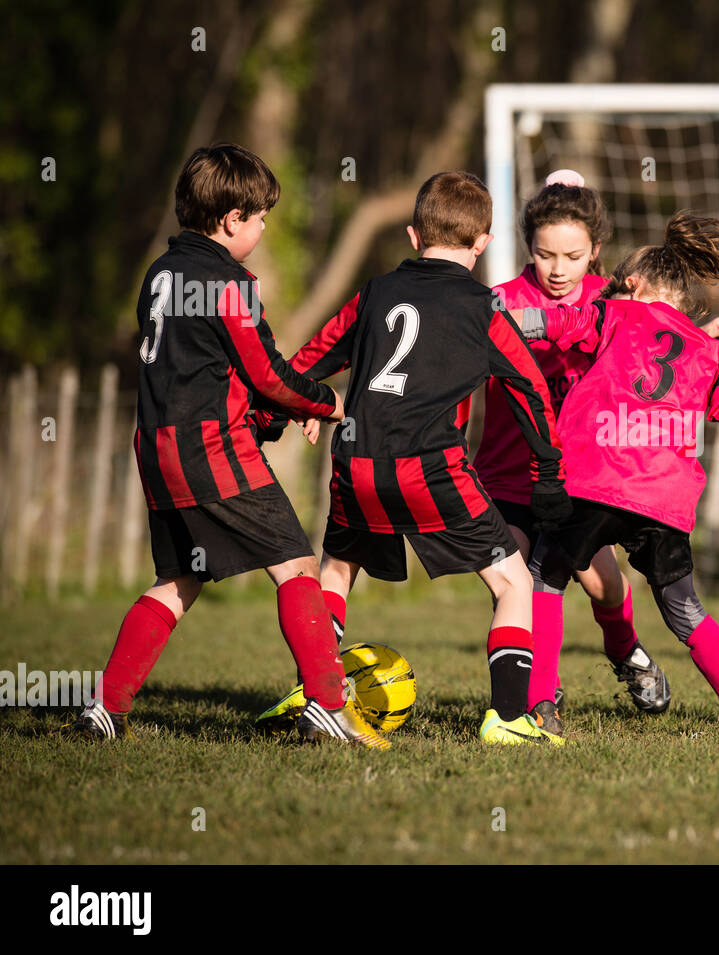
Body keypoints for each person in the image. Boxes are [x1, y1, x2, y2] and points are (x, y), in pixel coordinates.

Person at [69, 143, 383, 748]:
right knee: (296, 566)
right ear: (233, 219)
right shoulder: (228, 281)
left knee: (177, 582)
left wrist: (272, 416)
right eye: (261, 216)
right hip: (212, 449)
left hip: (158, 450)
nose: (264, 227)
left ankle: (104, 708)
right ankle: (325, 705)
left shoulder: (161, 274)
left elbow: (209, 370)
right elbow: (264, 372)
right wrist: (321, 401)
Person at [289, 171, 572, 745]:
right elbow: (530, 392)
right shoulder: (482, 308)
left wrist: (293, 407)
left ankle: (315, 693)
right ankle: (509, 719)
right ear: (483, 242)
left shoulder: (373, 292)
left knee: (338, 570)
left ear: (414, 236)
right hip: (432, 467)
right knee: (513, 582)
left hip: (356, 462)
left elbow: (310, 359)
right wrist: (548, 476)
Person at [514, 212, 719, 736]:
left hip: (593, 482)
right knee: (686, 611)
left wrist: (494, 317)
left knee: (544, 576)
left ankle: (540, 707)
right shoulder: (714, 354)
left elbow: (551, 323)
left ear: (635, 285)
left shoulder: (611, 314)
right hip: (665, 501)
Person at [473, 170, 670, 720]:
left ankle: (623, 646)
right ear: (528, 249)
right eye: (545, 255)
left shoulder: (615, 306)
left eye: (573, 255)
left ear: (596, 251)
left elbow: (671, 339)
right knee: (519, 582)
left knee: (605, 588)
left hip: (582, 480)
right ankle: (540, 698)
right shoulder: (497, 303)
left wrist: (716, 329)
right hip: (508, 476)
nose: (558, 269)